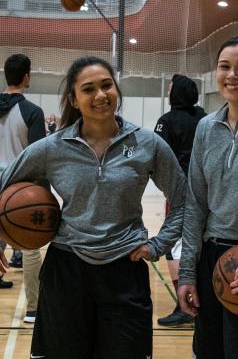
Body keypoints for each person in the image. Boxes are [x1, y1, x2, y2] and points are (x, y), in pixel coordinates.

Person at [0, 56, 186, 359]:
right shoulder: (52, 147)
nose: (100, 95)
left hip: (125, 271)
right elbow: (4, 183)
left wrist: (158, 245)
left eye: (106, 85)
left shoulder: (147, 144)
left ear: (116, 89)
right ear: (74, 98)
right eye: (88, 89)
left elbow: (182, 200)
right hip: (66, 271)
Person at [178, 34, 238, 359]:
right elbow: (195, 203)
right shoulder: (206, 127)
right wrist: (189, 273)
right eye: (224, 67)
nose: (232, 75)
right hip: (211, 259)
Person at [154, 74, 206, 326]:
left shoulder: (166, 121)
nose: (168, 91)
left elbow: (158, 160)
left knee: (175, 248)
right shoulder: (205, 118)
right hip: (207, 194)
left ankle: (185, 307)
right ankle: (200, 299)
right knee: (199, 246)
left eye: (171, 88)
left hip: (180, 194)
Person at [0, 54, 45, 322]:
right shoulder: (32, 112)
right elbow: (39, 157)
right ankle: (33, 308)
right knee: (29, 245)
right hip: (18, 185)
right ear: (26, 76)